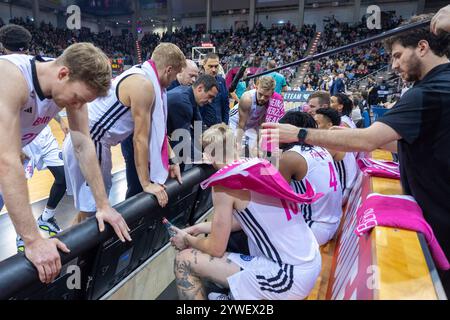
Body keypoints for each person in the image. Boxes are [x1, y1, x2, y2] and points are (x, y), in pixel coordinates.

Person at [261, 14, 450, 296]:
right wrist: (336, 137)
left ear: (422, 47)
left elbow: (368, 139)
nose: (394, 65)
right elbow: (404, 143)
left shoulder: (429, 91)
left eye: (398, 56)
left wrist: (299, 134)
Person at [0, 42, 131, 284]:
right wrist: (33, 240)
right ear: (63, 74)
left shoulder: (68, 83)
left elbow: (82, 143)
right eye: (77, 98)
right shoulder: (11, 78)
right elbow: (7, 162)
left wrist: (103, 204)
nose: (78, 106)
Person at [170, 124, 321, 300]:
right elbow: (246, 220)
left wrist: (186, 239)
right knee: (234, 240)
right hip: (310, 261)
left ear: (207, 157)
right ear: (237, 146)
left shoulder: (224, 183)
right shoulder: (262, 164)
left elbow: (215, 249)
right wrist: (198, 229)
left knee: (184, 260)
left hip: (288, 277)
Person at [64, 43, 186, 220]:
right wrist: (146, 183)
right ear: (168, 70)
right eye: (175, 75)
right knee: (92, 214)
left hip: (91, 140)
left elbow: (157, 129)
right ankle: (67, 247)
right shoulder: (144, 85)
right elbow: (140, 139)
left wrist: (171, 160)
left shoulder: (144, 75)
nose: (174, 81)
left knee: (88, 213)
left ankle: (68, 248)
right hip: (90, 142)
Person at [0, 24, 69, 251]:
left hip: (40, 134)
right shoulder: (7, 73)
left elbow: (54, 91)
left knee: (62, 176)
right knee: (15, 187)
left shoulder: (44, 67)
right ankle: (24, 234)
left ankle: (46, 218)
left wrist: (63, 117)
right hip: (13, 140)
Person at [278, 111, 343, 245]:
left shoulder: (291, 158)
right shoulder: (322, 149)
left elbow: (273, 197)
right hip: (332, 222)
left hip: (312, 228)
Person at [168, 74, 218, 171]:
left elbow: (199, 127)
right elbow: (183, 140)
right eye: (210, 96)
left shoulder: (189, 94)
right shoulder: (183, 102)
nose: (210, 101)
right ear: (200, 88)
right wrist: (201, 157)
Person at [314, 108, 359, 206]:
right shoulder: (336, 137)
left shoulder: (332, 143)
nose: (314, 127)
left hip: (342, 195)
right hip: (346, 189)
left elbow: (312, 164)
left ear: (330, 125)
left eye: (317, 123)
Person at [199, 53, 229, 128]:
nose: (213, 69)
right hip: (203, 128)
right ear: (204, 65)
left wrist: (225, 123)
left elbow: (225, 105)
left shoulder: (222, 81)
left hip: (220, 127)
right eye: (210, 66)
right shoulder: (197, 83)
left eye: (216, 66)